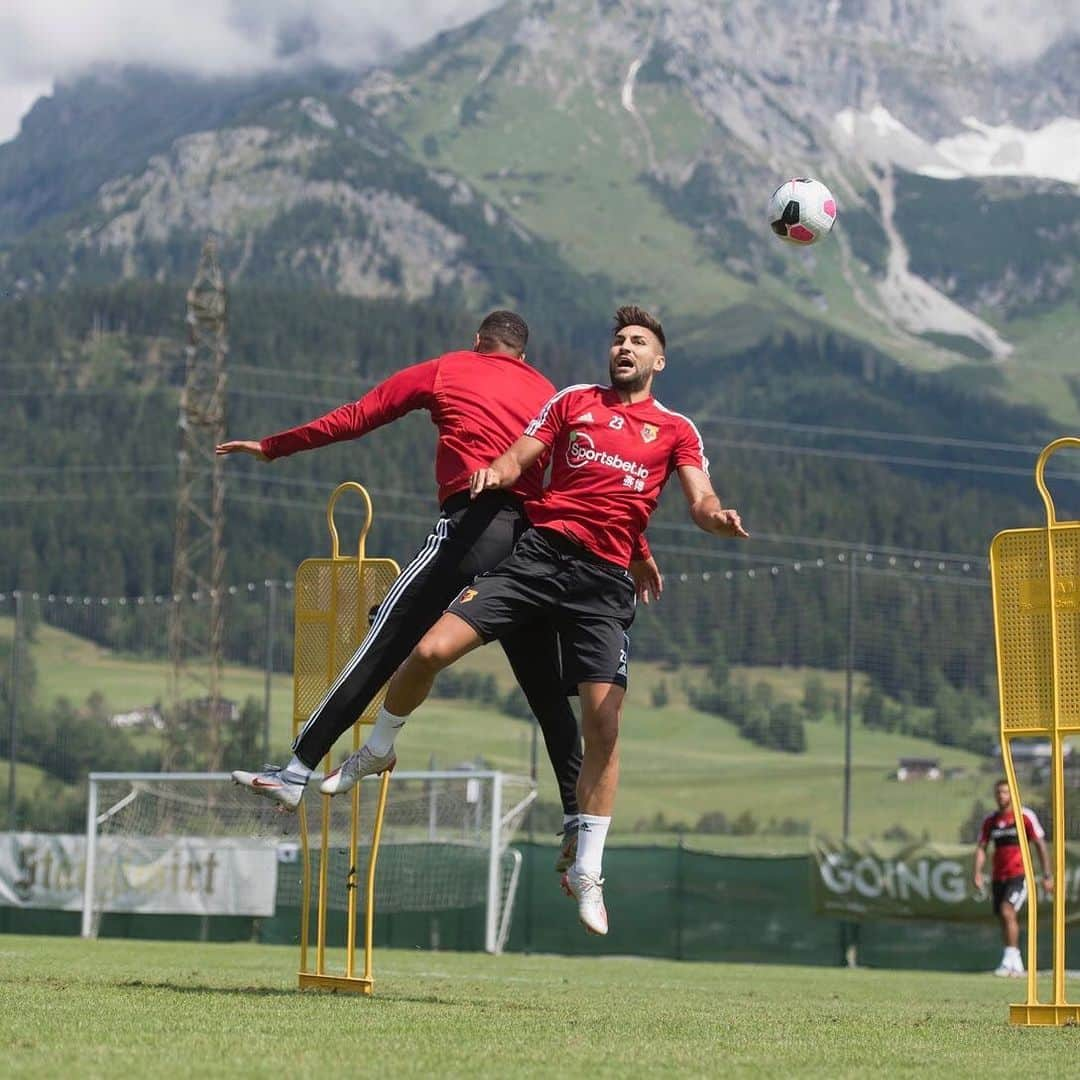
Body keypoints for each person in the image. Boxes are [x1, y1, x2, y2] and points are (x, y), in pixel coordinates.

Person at [323, 305, 748, 936]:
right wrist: (498, 470)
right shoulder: (574, 400)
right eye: (619, 340)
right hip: (538, 559)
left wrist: (713, 517)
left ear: (659, 361)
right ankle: (378, 749)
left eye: (639, 342)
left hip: (601, 587)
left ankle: (588, 871)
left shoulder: (677, 429)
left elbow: (699, 497)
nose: (625, 347)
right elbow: (524, 453)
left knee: (602, 723)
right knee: (431, 650)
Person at [218, 310, 660, 874]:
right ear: (523, 356)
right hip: (533, 549)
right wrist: (639, 553)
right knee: (545, 689)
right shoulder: (552, 393)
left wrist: (273, 447)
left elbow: (359, 416)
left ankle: (297, 770)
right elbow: (594, 483)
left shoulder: (449, 369)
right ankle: (576, 817)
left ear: (478, 342)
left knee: (387, 639)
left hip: (472, 525)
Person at [973, 778, 1052, 977]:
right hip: (998, 877)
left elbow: (1040, 845)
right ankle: (1014, 961)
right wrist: (977, 872)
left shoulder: (1025, 816)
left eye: (1005, 792)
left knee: (1007, 910)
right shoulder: (990, 821)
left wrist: (1047, 874)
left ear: (1013, 794)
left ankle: (1009, 959)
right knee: (1003, 917)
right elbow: (982, 847)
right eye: (999, 792)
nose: (1002, 796)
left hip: (1019, 875)